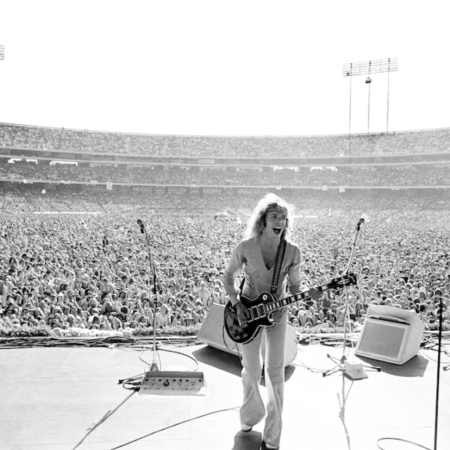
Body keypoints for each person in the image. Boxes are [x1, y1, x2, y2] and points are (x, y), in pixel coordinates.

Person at [223, 193, 322, 450]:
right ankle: (250, 416)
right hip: (247, 313)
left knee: (275, 373)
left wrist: (305, 294)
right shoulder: (246, 247)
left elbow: (296, 287)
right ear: (263, 220)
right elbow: (229, 277)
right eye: (274, 216)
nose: (280, 221)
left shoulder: (292, 251)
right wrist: (236, 304)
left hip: (277, 314)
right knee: (251, 369)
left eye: (284, 218)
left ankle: (272, 437)